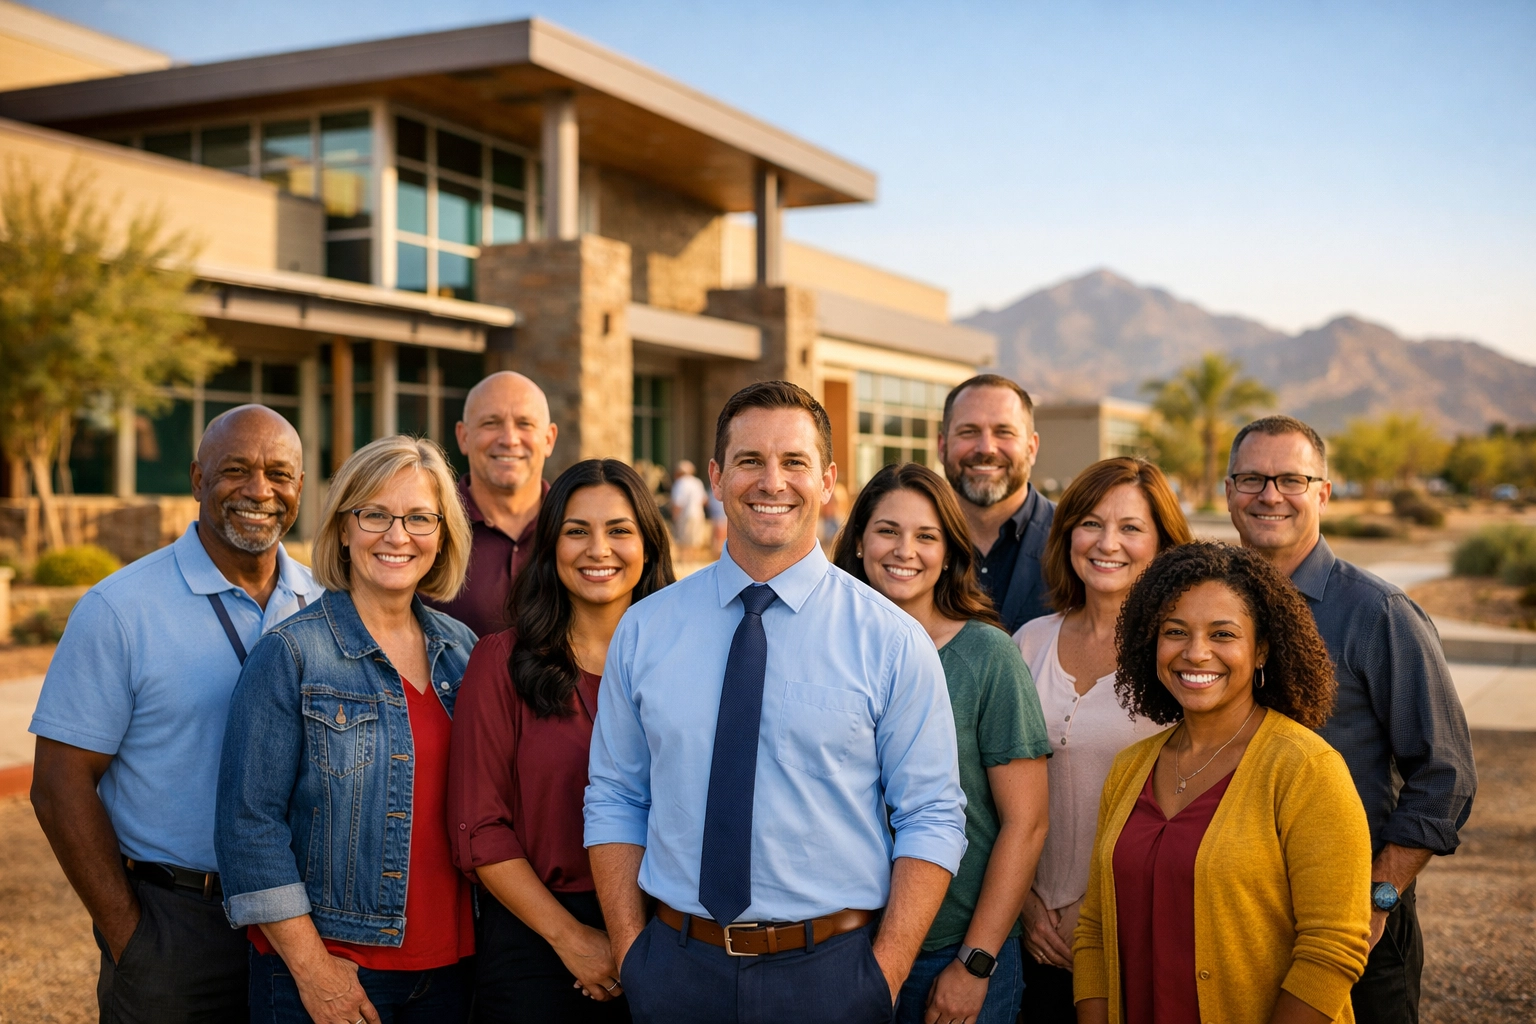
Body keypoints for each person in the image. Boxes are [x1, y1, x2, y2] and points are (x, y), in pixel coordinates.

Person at [584, 381, 967, 1024]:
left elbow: (932, 814)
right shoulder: (647, 629)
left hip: (832, 977)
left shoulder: (891, 641)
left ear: (827, 480)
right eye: (749, 461)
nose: (772, 481)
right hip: (676, 970)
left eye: (794, 462)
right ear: (716, 476)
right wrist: (631, 953)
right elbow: (616, 796)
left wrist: (885, 972)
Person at [28, 405, 320, 1024]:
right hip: (177, 924)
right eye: (235, 470)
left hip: (306, 924)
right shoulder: (119, 608)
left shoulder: (324, 604)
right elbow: (59, 785)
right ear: (196, 480)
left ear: (300, 485)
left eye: (279, 473)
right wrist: (128, 934)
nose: (258, 490)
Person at [216, 435, 478, 1023]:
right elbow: (247, 827)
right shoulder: (292, 653)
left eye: (419, 517)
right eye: (375, 514)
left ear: (443, 534)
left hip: (454, 973)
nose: (397, 534)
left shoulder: (463, 654)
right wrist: (314, 971)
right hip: (336, 972)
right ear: (342, 527)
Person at [1225, 415, 1476, 1024]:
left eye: (1291, 478)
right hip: (1228, 914)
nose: (1270, 495)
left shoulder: (1379, 613)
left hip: (1351, 920)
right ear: (1228, 491)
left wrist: (1378, 896)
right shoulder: (1210, 602)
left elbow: (1445, 774)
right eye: (1252, 479)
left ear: (1323, 492)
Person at [1074, 542, 1373, 1024]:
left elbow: (1332, 950)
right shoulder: (1130, 769)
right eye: (1175, 632)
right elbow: (1094, 932)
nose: (1196, 652)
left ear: (1262, 650)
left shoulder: (1306, 768)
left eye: (1223, 634)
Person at [448, 458, 675, 1022]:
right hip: (536, 945)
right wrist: (571, 938)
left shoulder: (685, 662)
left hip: (667, 939)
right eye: (577, 531)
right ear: (550, 547)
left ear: (648, 545)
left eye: (619, 530)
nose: (598, 549)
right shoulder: (500, 662)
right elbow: (479, 829)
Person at [833, 462, 1051, 1024]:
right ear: (858, 541)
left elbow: (1025, 824)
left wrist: (975, 963)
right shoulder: (823, 648)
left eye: (926, 536)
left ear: (951, 553)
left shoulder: (987, 656)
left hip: (951, 955)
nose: (905, 550)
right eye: (887, 530)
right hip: (839, 950)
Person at [1012, 458, 1192, 1019]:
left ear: (1163, 544)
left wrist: (1096, 908)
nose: (1107, 542)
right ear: (1067, 535)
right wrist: (1024, 906)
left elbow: (1194, 803)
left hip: (1138, 929)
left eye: (1131, 527)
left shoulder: (1184, 655)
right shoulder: (1029, 643)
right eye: (1090, 523)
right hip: (1031, 934)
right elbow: (992, 793)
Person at [423, 370, 557, 638]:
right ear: (463, 436)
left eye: (525, 424)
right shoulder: (426, 529)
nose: (509, 439)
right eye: (491, 423)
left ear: (549, 439)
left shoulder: (576, 530)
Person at [938, 374, 1055, 634]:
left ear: (1031, 447)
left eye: (1004, 432)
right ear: (942, 445)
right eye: (969, 431)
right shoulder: (910, 545)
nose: (986, 448)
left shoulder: (1074, 542)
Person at [669, 459, 708, 551]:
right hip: (698, 514)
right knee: (695, 540)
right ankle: (693, 560)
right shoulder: (697, 482)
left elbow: (678, 503)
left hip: (685, 516)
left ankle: (685, 561)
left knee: (683, 540)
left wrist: (674, 517)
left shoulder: (680, 483)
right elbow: (704, 500)